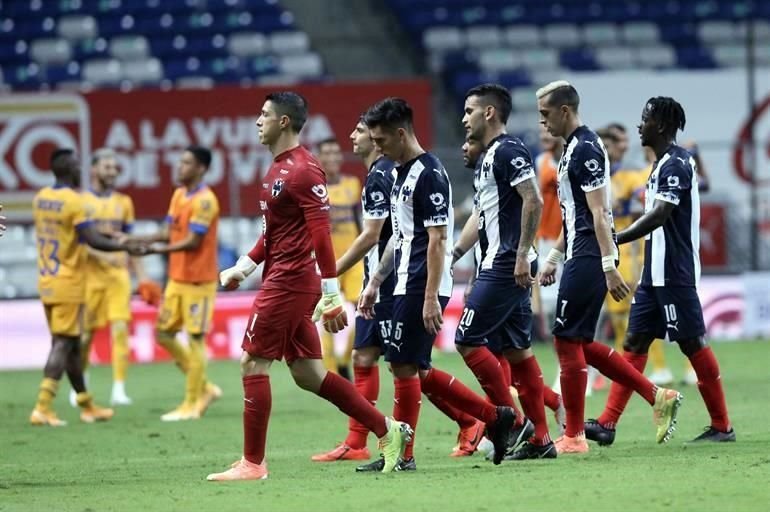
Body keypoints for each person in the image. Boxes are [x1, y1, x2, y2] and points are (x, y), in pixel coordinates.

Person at [208, 92, 411, 481]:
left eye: (265, 115)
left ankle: (253, 464)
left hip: (290, 282)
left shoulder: (304, 171)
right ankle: (388, 430)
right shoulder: (277, 170)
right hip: (280, 276)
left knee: (253, 361)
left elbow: (322, 237)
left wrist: (332, 294)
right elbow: (273, 234)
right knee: (308, 374)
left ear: (284, 122)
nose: (257, 121)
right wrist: (244, 267)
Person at [358, 97, 516, 469]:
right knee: (415, 368)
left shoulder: (430, 173)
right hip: (400, 281)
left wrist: (430, 296)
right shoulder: (398, 173)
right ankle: (495, 417)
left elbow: (438, 239)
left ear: (401, 133)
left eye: (381, 141)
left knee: (404, 367)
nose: (377, 148)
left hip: (421, 283)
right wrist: (375, 280)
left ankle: (401, 455)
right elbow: (399, 236)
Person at [536, 80, 682, 454]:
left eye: (545, 114)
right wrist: (554, 257)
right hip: (580, 250)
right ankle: (655, 395)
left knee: (567, 341)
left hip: (590, 254)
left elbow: (601, 212)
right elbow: (576, 215)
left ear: (564, 111)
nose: (543, 122)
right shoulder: (572, 148)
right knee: (578, 342)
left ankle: (574, 436)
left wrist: (607, 264)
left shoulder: (584, 149)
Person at [585, 97, 735, 445]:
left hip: (674, 273)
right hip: (653, 275)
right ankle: (607, 424)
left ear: (663, 126)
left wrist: (616, 238)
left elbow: (660, 215)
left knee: (692, 342)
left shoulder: (678, 164)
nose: (640, 125)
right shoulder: (661, 164)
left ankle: (722, 425)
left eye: (646, 119)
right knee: (634, 343)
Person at [450, 84, 558, 460]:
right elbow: (483, 216)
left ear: (490, 113)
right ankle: (541, 441)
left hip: (506, 263)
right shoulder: (489, 157)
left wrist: (523, 252)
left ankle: (510, 422)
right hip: (498, 263)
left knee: (466, 340)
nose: (464, 119)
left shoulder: (509, 150)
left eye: (469, 111)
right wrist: (458, 252)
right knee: (518, 351)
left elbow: (533, 197)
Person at [29, 148, 144, 426]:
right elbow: (92, 238)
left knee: (68, 344)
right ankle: (43, 406)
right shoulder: (75, 201)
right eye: (76, 164)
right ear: (68, 169)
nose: (80, 168)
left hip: (46, 278)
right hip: (69, 281)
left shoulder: (41, 198)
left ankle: (86, 403)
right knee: (64, 343)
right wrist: (123, 244)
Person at [124, 146, 222, 421]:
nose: (179, 166)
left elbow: (193, 242)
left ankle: (191, 404)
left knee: (195, 339)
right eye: (180, 161)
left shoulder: (205, 201)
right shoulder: (179, 195)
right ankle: (205, 388)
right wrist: (137, 241)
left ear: (201, 168)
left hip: (199, 282)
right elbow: (167, 232)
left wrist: (154, 251)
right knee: (163, 333)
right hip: (176, 280)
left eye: (186, 162)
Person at [71, 148, 161, 407]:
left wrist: (143, 277)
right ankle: (81, 384)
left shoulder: (124, 203)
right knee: (86, 335)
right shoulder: (81, 202)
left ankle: (119, 389)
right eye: (107, 167)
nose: (112, 172)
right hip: (89, 276)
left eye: (114, 167)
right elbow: (79, 242)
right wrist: (104, 256)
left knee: (120, 331)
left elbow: (129, 243)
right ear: (94, 169)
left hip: (118, 277)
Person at [316, 137, 363, 380]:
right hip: (327, 261)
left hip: (354, 258)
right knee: (327, 313)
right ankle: (332, 372)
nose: (333, 157)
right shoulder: (315, 188)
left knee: (362, 309)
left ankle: (345, 359)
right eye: (328, 153)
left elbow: (359, 221)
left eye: (336, 152)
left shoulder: (352, 184)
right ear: (320, 158)